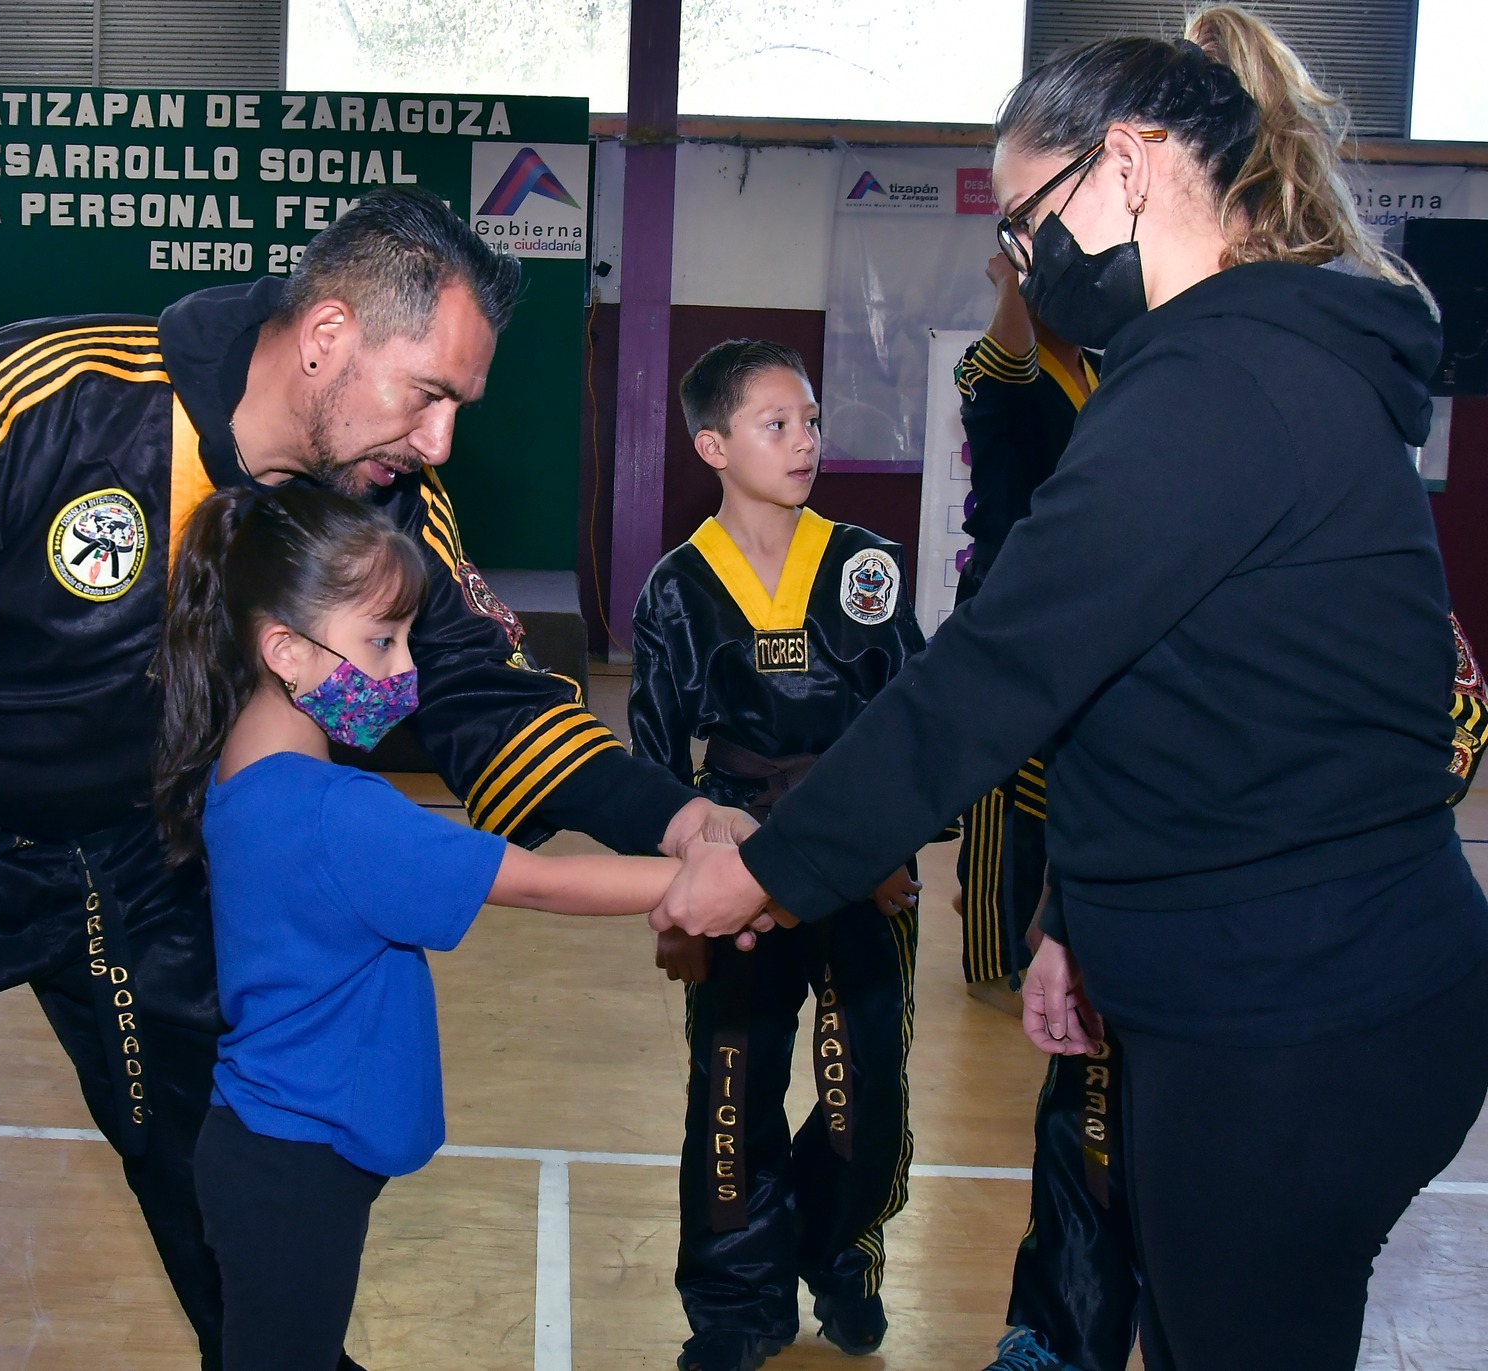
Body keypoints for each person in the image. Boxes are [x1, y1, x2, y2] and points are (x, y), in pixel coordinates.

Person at [0, 189, 760, 1370]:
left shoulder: (377, 493)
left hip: (146, 858)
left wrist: (678, 814)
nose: (438, 444)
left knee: (232, 1193)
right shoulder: (44, 398)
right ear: (326, 337)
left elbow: (483, 688)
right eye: (428, 395)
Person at [653, 10, 1488, 1369]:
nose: (1023, 262)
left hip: (1302, 1018)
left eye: (1029, 221)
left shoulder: (1217, 385)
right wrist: (1070, 919)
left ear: (1134, 163)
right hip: (1292, 990)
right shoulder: (1234, 367)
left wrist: (769, 870)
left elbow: (996, 672)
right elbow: (1156, 692)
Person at [157, 483, 686, 1371]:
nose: (406, 669)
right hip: (298, 1168)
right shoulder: (340, 816)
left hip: (272, 1155)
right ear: (283, 648)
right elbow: (544, 884)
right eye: (380, 641)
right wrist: (706, 874)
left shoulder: (236, 774)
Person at [987, 610, 1487, 1371]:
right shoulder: (1155, 555)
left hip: (1300, 968)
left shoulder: (1379, 583)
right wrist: (1067, 893)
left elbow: (1459, 728)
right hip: (1141, 920)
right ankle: (1057, 1340)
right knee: (1086, 1128)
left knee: (1228, 1244)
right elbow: (1091, 726)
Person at [628, 340, 925, 1370]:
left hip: (860, 864)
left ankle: (836, 1251)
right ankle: (734, 1304)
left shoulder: (862, 568)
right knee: (730, 1087)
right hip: (735, 871)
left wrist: (886, 847)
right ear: (711, 444)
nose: (803, 441)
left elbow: (917, 724)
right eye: (774, 424)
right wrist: (675, 900)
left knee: (865, 1099)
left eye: (808, 420)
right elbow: (656, 762)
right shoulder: (675, 590)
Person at [952, 257, 1095, 1005]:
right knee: (998, 791)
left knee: (1048, 788)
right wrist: (1011, 279)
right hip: (1006, 606)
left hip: (1077, 606)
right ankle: (990, 958)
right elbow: (1007, 356)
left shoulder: (1100, 372)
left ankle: (1045, 931)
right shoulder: (998, 371)